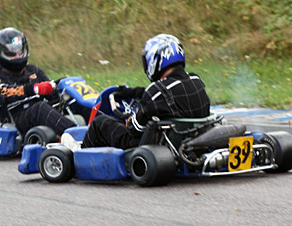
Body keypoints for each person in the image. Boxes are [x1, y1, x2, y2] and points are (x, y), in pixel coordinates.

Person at [62, 34, 210, 151]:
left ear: (156, 60)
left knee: (100, 123)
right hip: (186, 142)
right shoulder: (196, 81)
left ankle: (80, 154)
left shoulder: (156, 92)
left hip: (149, 147)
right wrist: (132, 92)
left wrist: (128, 118)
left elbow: (134, 129)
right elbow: (167, 94)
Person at [0, 27, 74, 137]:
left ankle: (92, 130)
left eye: (19, 51)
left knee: (73, 100)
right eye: (11, 53)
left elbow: (52, 94)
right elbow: (0, 93)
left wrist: (62, 88)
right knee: (39, 108)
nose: (17, 56)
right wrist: (33, 89)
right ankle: (77, 135)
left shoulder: (33, 70)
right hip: (15, 120)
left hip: (41, 115)